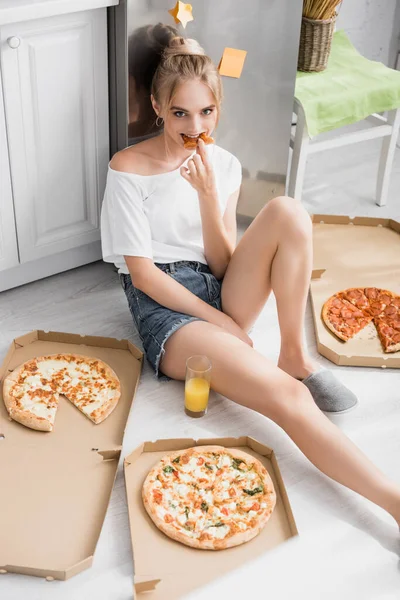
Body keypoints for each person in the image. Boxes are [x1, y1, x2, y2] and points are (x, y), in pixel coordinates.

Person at [100, 30, 400, 529]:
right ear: (157, 106)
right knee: (289, 398)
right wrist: (220, 321)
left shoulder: (222, 164)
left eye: (206, 112)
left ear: (218, 108)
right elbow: (145, 276)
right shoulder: (127, 169)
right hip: (169, 312)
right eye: (180, 113)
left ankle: (293, 353)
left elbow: (221, 265)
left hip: (214, 286)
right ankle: (394, 503)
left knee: (287, 210)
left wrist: (207, 194)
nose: (195, 126)